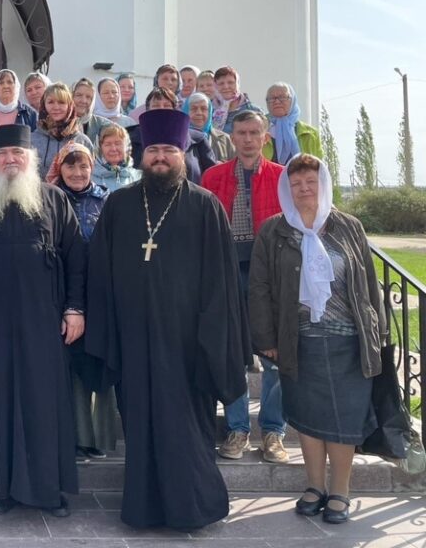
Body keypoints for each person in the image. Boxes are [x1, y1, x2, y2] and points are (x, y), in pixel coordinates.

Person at [86, 109, 247, 530]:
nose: (160, 157)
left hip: (186, 345)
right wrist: (110, 334)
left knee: (186, 429)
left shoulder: (205, 206)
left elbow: (222, 284)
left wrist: (212, 340)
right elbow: (101, 275)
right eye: (154, 149)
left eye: (169, 150)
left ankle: (192, 509)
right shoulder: (119, 205)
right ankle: (143, 510)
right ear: (143, 154)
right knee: (139, 427)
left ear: (182, 154)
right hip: (134, 343)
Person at [249, 154, 385, 525]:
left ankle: (340, 490)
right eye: (296, 184)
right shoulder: (274, 231)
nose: (304, 189)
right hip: (299, 339)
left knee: (343, 421)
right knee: (308, 418)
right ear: (286, 189)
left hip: (349, 339)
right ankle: (314, 486)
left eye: (311, 182)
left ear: (323, 185)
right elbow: (259, 288)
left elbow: (369, 283)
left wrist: (380, 332)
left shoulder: (348, 227)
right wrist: (265, 338)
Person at [0, 124, 84, 517]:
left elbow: (76, 260)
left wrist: (75, 309)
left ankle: (50, 491)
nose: (10, 160)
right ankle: (0, 491)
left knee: (45, 403)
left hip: (45, 323)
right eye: (3, 155)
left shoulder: (55, 200)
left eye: (18, 154)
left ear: (31, 159)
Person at [201, 111, 288, 464]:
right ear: (231, 137)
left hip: (270, 275)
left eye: (255, 132)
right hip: (225, 272)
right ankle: (238, 429)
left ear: (265, 137)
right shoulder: (213, 176)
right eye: (242, 133)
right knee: (232, 354)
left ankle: (273, 431)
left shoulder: (283, 178)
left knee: (274, 357)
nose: (248, 139)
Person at [45, 142, 116, 459]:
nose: (77, 172)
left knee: (95, 361)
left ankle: (98, 437)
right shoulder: (47, 199)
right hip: (60, 291)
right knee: (67, 366)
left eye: (83, 166)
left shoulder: (107, 200)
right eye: (70, 166)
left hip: (99, 291)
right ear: (59, 168)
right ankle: (72, 436)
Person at [129, 88, 216, 182]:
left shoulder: (198, 139)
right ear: (147, 110)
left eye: (166, 105)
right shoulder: (131, 138)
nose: (161, 109)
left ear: (175, 110)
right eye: (156, 105)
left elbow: (212, 175)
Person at [30, 82, 91, 176]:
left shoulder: (82, 141)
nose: (56, 107)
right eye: (50, 102)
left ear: (69, 106)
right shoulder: (32, 140)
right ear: (44, 105)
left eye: (61, 102)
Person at [264, 82, 323, 164]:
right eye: (272, 98)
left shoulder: (311, 134)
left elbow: (318, 168)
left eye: (282, 97)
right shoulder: (258, 131)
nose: (277, 101)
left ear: (293, 100)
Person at [184, 92, 235, 163]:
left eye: (204, 109)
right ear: (186, 111)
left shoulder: (225, 139)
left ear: (210, 112)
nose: (199, 113)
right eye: (194, 109)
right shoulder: (179, 139)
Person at [212, 66, 261, 133]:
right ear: (215, 86)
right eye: (221, 83)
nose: (226, 87)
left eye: (230, 82)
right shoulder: (209, 110)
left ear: (237, 84)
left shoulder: (254, 111)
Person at [92, 124, 141, 192]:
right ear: (100, 149)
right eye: (108, 144)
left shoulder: (139, 177)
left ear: (126, 147)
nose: (113, 149)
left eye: (118, 143)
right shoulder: (89, 178)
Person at [70, 78, 112, 145]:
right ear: (70, 96)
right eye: (79, 95)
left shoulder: (103, 125)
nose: (83, 101)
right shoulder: (59, 123)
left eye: (88, 97)